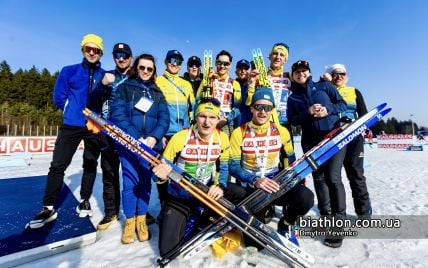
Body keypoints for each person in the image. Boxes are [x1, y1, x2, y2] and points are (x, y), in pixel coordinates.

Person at [26, 34, 107, 229]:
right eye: (88, 48)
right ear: (83, 50)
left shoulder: (104, 75)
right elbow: (59, 97)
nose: (92, 52)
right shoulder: (69, 71)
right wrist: (71, 111)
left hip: (93, 127)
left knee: (90, 163)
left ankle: (85, 199)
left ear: (100, 52)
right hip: (71, 125)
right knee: (58, 165)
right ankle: (48, 206)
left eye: (96, 50)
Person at [153, 98, 245, 257]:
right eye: (202, 116)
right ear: (195, 117)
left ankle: (203, 218)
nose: (207, 122)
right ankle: (181, 215)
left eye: (212, 117)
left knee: (241, 194)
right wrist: (159, 176)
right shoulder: (180, 137)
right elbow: (160, 169)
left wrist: (220, 185)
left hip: (205, 191)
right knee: (168, 252)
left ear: (218, 119)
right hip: (180, 194)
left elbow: (223, 167)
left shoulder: (222, 138)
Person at [229, 87, 314, 248]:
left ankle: (286, 224)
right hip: (251, 188)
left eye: (268, 108)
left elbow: (290, 158)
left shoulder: (282, 131)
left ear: (272, 110)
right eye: (259, 107)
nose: (263, 112)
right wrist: (254, 179)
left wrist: (296, 179)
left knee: (305, 197)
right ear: (252, 108)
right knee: (256, 245)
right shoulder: (239, 132)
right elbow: (232, 166)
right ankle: (263, 213)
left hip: (275, 185)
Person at [110, 54, 169, 244]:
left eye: (149, 69)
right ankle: (130, 221)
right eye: (142, 67)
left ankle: (141, 220)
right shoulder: (125, 88)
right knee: (129, 183)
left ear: (153, 71)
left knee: (145, 183)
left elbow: (164, 118)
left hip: (150, 147)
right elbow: (117, 114)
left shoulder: (157, 93)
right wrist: (136, 137)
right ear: (136, 67)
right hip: (129, 145)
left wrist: (153, 138)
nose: (145, 71)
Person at [287, 60, 347, 248]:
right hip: (311, 141)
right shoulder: (293, 97)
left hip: (333, 137)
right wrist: (308, 111)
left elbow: (342, 104)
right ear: (293, 75)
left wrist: (327, 110)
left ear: (309, 72)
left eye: (304, 71)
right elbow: (293, 120)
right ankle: (326, 217)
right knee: (319, 179)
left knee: (333, 177)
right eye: (297, 72)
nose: (300, 74)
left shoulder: (324, 86)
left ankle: (339, 223)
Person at [89, 42, 132, 231]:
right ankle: (111, 212)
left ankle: (139, 211)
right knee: (109, 173)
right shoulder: (106, 76)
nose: (121, 59)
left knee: (134, 175)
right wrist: (101, 85)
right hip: (109, 132)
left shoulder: (136, 77)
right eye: (117, 55)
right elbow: (90, 101)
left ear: (130, 58)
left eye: (124, 55)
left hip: (130, 133)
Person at [323, 63, 372, 216]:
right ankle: (337, 215)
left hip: (353, 137)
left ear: (346, 76)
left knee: (356, 175)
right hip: (334, 139)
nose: (338, 77)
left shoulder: (354, 91)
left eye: (342, 74)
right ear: (330, 76)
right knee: (333, 177)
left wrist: (367, 129)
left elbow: (364, 113)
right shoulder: (324, 91)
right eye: (335, 74)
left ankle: (364, 212)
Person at [155, 50, 196, 219]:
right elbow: (154, 109)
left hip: (183, 134)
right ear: (165, 61)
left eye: (178, 61)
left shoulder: (185, 84)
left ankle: (183, 205)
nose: (174, 63)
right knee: (163, 170)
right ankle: (165, 205)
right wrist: (158, 133)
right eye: (172, 60)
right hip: (165, 134)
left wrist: (192, 130)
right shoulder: (157, 81)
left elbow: (193, 108)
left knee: (182, 170)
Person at [247, 43, 293, 136]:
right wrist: (251, 83)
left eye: (282, 55)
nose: (278, 57)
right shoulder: (260, 76)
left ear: (285, 60)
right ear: (270, 56)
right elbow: (249, 102)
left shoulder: (290, 76)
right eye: (275, 53)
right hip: (264, 122)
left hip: (284, 123)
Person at [196, 50, 242, 136]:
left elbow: (238, 108)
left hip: (227, 123)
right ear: (215, 63)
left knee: (226, 148)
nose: (222, 66)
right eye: (219, 63)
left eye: (226, 64)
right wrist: (207, 82)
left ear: (230, 65)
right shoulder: (208, 79)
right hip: (208, 122)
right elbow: (198, 101)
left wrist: (226, 119)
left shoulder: (234, 83)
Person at [235, 59, 252, 125]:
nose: (243, 71)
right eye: (240, 69)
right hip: (235, 122)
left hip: (250, 122)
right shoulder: (231, 84)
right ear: (236, 72)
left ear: (250, 71)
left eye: (246, 69)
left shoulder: (254, 85)